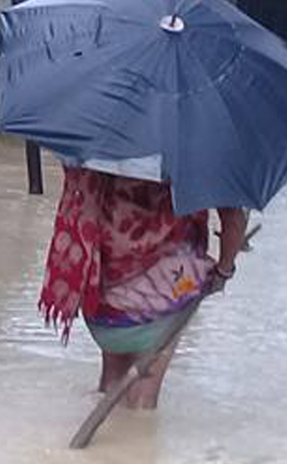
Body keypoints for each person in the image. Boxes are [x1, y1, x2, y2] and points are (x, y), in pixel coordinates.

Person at [40, 167, 249, 410]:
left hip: (103, 303)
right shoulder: (196, 153)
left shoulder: (106, 143)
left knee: (111, 386)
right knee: (142, 404)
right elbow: (234, 219)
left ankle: (104, 442)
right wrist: (224, 270)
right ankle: (135, 446)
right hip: (160, 305)